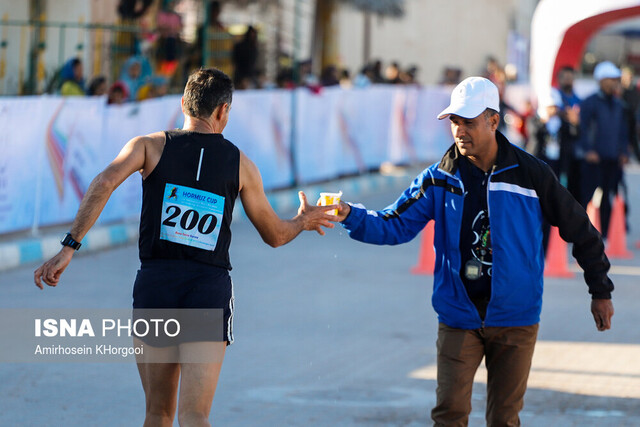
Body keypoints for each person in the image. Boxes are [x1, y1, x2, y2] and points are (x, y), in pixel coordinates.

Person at [33, 68, 338, 426]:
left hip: (156, 283)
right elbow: (274, 235)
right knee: (194, 416)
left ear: (183, 103)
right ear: (223, 111)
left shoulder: (148, 146)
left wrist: (69, 246)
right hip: (207, 287)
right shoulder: (241, 165)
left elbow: (104, 182)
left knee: (157, 413)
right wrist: (303, 220)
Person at [332, 77, 614, 426]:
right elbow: (394, 225)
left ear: (493, 121)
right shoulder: (439, 178)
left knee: (504, 419)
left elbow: (581, 230)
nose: (459, 130)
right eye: (454, 121)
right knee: (449, 414)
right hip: (458, 318)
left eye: (468, 121)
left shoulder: (531, 175)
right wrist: (348, 213)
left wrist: (600, 290)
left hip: (516, 318)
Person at [578, 61, 629, 239]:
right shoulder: (589, 103)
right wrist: (588, 150)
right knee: (588, 196)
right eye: (611, 79)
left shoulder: (618, 104)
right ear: (601, 80)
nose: (615, 82)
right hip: (594, 159)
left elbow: (623, 131)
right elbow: (583, 129)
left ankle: (606, 232)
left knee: (610, 196)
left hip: (612, 159)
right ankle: (581, 232)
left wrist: (624, 152)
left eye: (616, 79)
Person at [554, 66, 582, 201]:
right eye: (565, 78)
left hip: (575, 152)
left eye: (570, 78)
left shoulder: (579, 100)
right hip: (557, 150)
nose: (568, 81)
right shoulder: (555, 98)